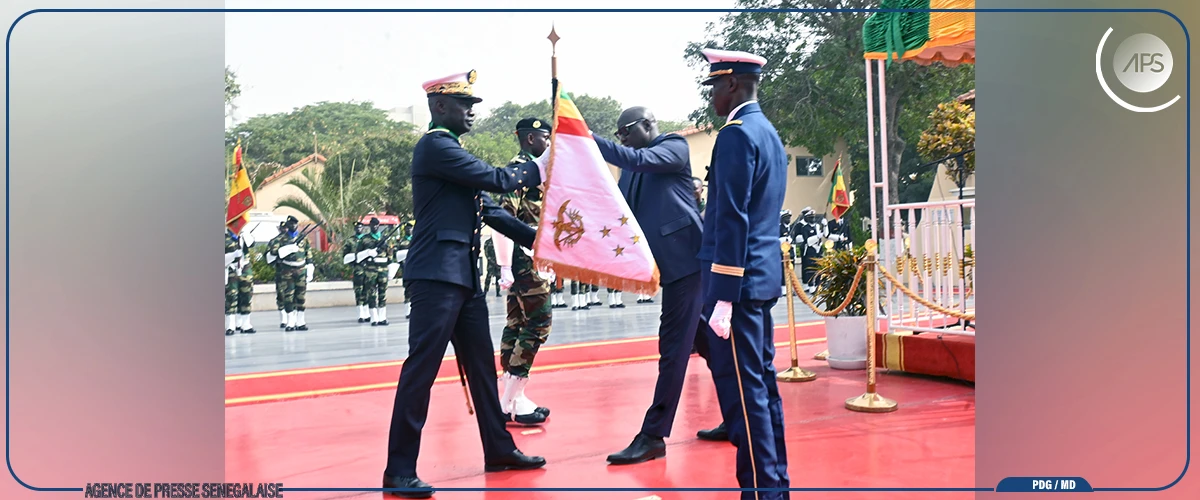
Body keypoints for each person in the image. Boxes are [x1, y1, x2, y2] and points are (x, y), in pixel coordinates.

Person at [383, 70, 549, 498]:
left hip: (462, 277)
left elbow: (493, 212)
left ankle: (498, 448)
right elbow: (499, 180)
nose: (472, 112)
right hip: (436, 275)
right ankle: (399, 470)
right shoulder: (436, 146)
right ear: (440, 106)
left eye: (473, 105)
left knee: (480, 368)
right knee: (420, 370)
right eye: (464, 105)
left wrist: (543, 242)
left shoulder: (454, 153)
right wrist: (540, 166)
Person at [592, 106, 712, 465]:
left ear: (647, 125)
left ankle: (653, 435)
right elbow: (616, 212)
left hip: (689, 263)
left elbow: (638, 159)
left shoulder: (673, 147)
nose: (622, 139)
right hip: (668, 269)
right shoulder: (631, 169)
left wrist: (585, 139)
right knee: (710, 344)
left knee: (673, 349)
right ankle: (741, 415)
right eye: (618, 136)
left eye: (625, 131)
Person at [698, 48, 790, 499]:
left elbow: (732, 218)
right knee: (763, 388)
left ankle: (760, 491)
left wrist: (724, 296)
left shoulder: (735, 134)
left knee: (744, 395)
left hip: (737, 287)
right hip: (759, 279)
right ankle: (775, 486)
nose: (712, 95)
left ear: (732, 84)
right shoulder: (767, 132)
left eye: (715, 85)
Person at [492, 117, 555, 426]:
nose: (550, 142)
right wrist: (505, 264)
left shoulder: (538, 172)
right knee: (539, 321)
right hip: (525, 257)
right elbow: (503, 220)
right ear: (530, 139)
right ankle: (509, 398)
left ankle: (513, 396)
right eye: (546, 137)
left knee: (517, 322)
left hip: (532, 255)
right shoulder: (519, 172)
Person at [269, 216, 315, 332]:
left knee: (301, 296)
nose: (293, 226)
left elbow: (308, 254)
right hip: (287, 270)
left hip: (301, 270)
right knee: (288, 297)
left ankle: (300, 321)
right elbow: (273, 253)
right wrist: (288, 249)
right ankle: (290, 321)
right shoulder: (280, 239)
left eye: (295, 224)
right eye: (291, 224)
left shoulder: (303, 238)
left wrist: (310, 268)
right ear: (288, 226)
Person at [358, 217, 395, 326]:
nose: (374, 227)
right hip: (371, 270)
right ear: (369, 226)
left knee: (382, 294)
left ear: (379, 226)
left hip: (383, 270)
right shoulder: (364, 239)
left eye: (376, 225)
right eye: (372, 225)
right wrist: (369, 252)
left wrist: (391, 270)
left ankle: (382, 317)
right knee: (372, 295)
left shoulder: (385, 239)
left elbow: (390, 255)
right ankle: (374, 318)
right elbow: (358, 256)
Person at [224, 229, 255, 335]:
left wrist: (244, 235)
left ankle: (246, 325)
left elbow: (251, 244)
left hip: (245, 268)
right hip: (231, 268)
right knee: (231, 296)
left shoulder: (244, 235)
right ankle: (230, 326)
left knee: (246, 296)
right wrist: (233, 255)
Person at [346, 221, 371, 323]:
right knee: (358, 291)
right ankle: (360, 314)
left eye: (360, 227)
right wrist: (353, 262)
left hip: (368, 268)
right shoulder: (350, 241)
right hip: (358, 269)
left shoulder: (368, 239)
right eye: (357, 228)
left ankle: (366, 313)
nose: (359, 229)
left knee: (367, 290)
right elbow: (346, 256)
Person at [265, 222, 289, 328]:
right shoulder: (274, 241)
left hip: (293, 270)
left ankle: (292, 318)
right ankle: (283, 319)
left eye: (286, 228)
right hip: (281, 271)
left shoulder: (292, 240)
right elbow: (268, 257)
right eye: (283, 228)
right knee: (281, 295)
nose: (285, 230)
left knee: (293, 295)